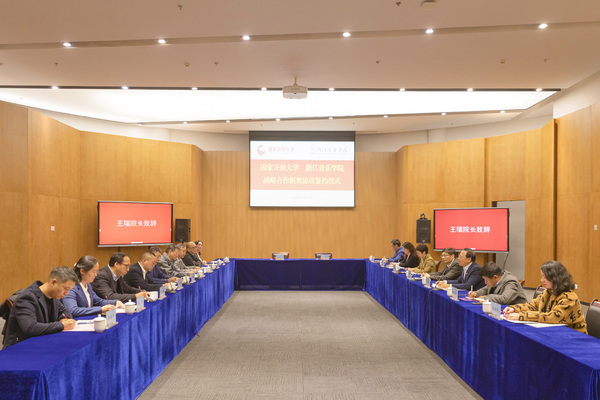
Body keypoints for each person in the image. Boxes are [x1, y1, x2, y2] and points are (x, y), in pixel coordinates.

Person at [3, 266, 77, 348]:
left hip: (41, 343)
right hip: (20, 348)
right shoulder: (27, 298)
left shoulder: (53, 295)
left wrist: (63, 319)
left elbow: (64, 312)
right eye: (66, 288)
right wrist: (61, 325)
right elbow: (30, 328)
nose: (67, 293)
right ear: (53, 282)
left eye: (69, 290)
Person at [503, 261, 587, 333]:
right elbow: (533, 306)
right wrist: (514, 308)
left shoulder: (569, 297)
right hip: (554, 331)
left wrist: (521, 316)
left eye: (545, 277)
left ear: (556, 278)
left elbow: (553, 317)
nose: (542, 280)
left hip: (572, 335)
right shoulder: (548, 292)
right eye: (541, 276)